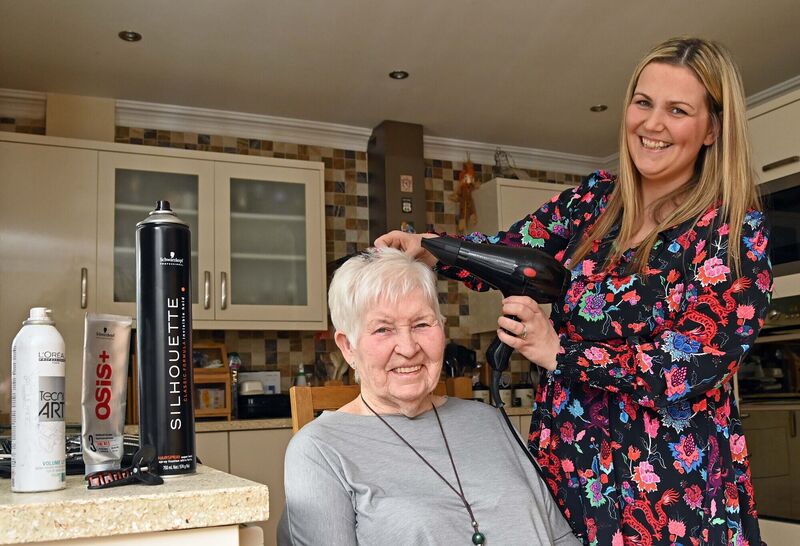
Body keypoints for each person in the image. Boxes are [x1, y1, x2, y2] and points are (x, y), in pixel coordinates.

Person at [376, 37, 771, 546]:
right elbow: (516, 253)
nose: (652, 124)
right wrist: (432, 249)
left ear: (713, 128)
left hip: (670, 498)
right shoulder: (596, 200)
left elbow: (689, 367)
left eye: (677, 110)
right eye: (643, 102)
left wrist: (560, 352)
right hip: (569, 478)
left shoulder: (733, 233)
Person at [278, 248, 580, 546]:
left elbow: (561, 538)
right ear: (347, 346)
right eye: (383, 329)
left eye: (422, 324)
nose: (408, 348)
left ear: (442, 330)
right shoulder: (319, 450)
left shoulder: (491, 422)